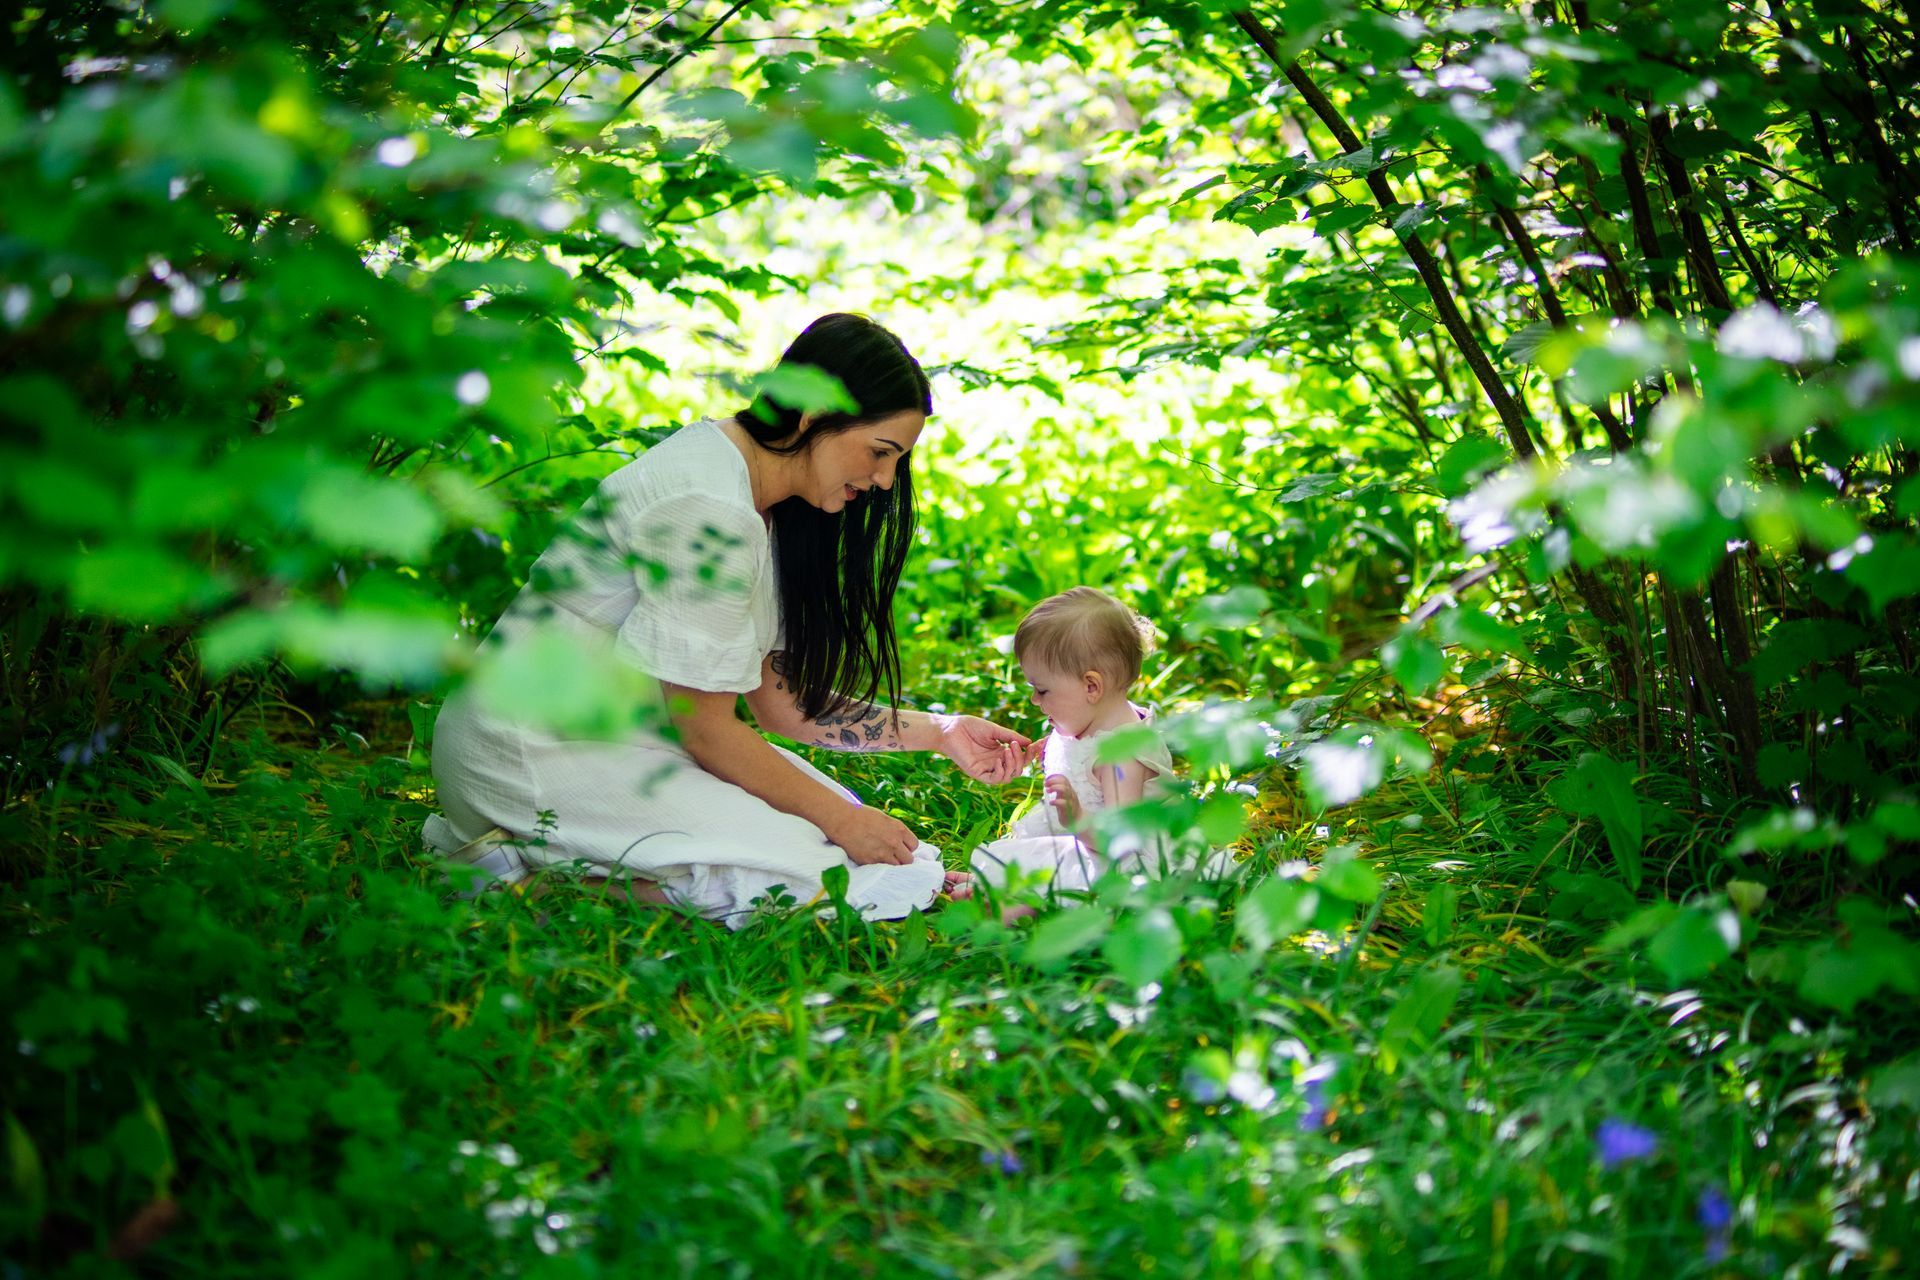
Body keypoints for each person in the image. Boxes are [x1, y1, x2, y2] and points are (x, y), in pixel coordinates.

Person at [422, 314, 1034, 926]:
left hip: (623, 737)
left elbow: (779, 708)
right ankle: (524, 875)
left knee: (855, 853)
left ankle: (558, 860)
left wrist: (941, 730)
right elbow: (706, 730)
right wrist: (842, 821)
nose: (884, 481)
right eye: (880, 452)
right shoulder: (707, 507)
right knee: (814, 874)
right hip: (526, 749)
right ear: (813, 419)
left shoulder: (760, 500)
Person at [967, 587, 1178, 899]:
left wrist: (1078, 818)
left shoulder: (1123, 757)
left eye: (1042, 690)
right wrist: (1048, 753)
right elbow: (1079, 758)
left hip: (1123, 861)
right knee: (1033, 856)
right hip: (1082, 838)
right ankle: (994, 884)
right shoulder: (1090, 720)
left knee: (1070, 868)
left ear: (1091, 686)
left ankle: (1012, 904)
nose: (1034, 700)